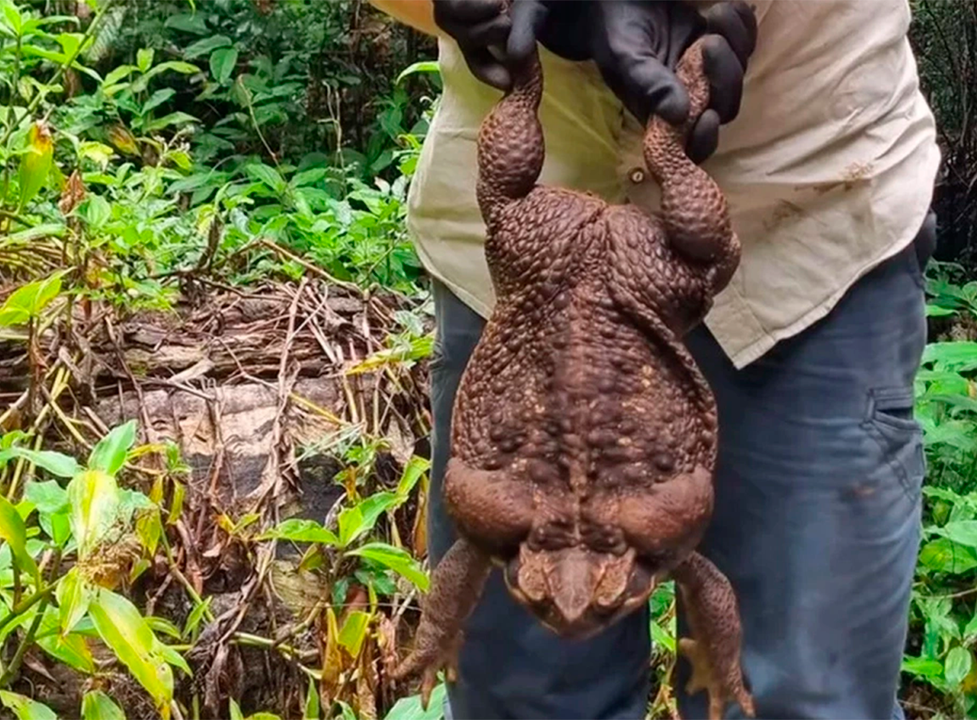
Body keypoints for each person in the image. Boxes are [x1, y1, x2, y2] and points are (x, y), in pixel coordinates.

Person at [367, 1, 941, 718]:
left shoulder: (595, 528)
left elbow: (691, 553)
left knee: (799, 697)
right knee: (520, 703)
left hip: (803, 211)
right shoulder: (556, 531)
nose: (571, 606)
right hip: (532, 266)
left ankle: (573, 107)